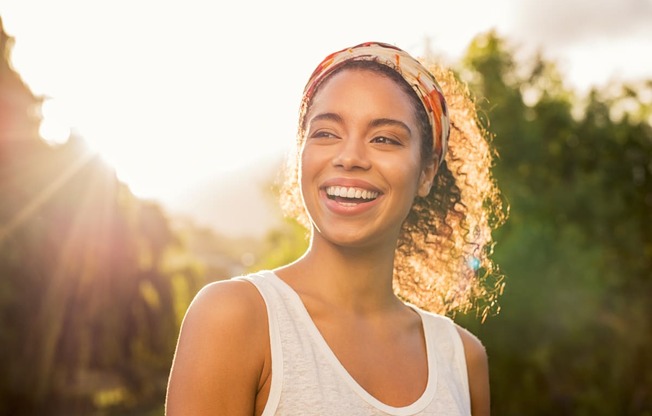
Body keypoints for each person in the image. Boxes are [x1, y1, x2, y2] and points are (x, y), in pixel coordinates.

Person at [166, 41, 505, 416]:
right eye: (326, 133)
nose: (349, 157)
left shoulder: (462, 359)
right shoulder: (234, 318)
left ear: (426, 172)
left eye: (384, 139)